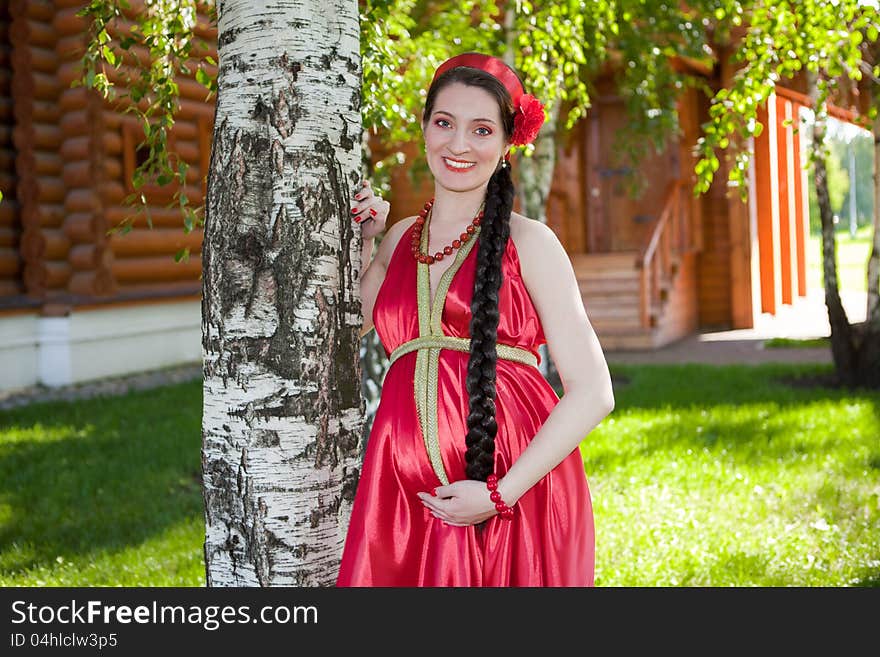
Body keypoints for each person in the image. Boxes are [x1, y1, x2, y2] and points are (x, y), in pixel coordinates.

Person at [337, 52, 615, 587]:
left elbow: (594, 391)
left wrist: (496, 494)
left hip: (509, 492)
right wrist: (362, 241)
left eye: (481, 129)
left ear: (508, 144)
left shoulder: (530, 242)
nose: (459, 144)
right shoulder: (397, 241)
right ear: (424, 128)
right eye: (445, 123)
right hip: (400, 497)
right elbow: (346, 333)